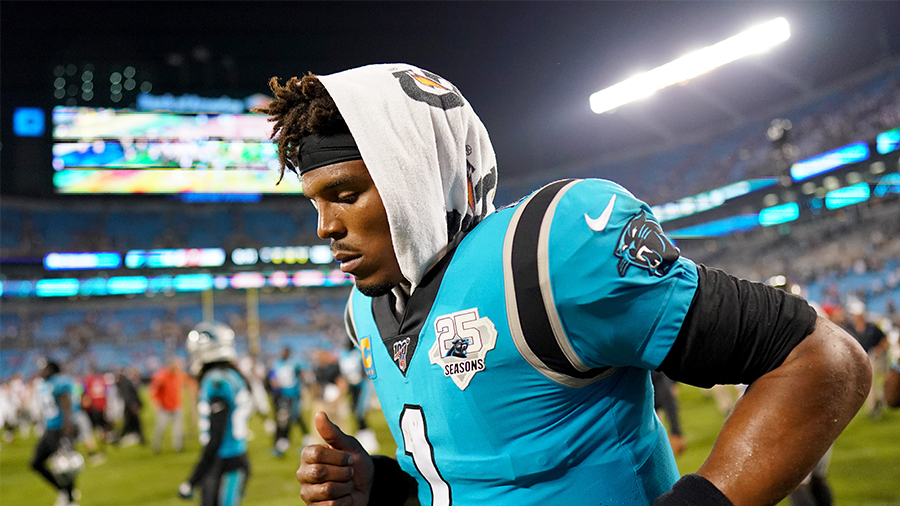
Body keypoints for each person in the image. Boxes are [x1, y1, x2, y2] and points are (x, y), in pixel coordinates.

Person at [255, 64, 872, 506]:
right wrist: (386, 487)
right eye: (316, 202)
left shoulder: (546, 255)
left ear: (416, 179)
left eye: (346, 194)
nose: (326, 227)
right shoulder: (366, 312)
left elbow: (823, 359)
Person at [178, 322, 251, 506]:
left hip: (224, 460)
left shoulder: (216, 381)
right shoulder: (231, 375)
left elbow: (217, 435)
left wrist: (193, 479)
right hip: (236, 454)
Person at [30, 360, 81, 506]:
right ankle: (64, 492)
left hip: (60, 429)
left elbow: (66, 406)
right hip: (50, 430)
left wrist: (67, 430)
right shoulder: (44, 384)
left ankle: (70, 501)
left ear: (51, 369)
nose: (41, 371)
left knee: (65, 466)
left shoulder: (59, 382)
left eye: (44, 369)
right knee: (36, 463)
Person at [269, 347, 310, 457]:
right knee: (285, 419)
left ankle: (306, 440)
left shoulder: (294, 363)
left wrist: (304, 388)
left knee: (295, 417)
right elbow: (273, 378)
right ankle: (283, 443)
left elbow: (302, 375)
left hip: (294, 395)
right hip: (283, 395)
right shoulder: (277, 363)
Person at [149, 358, 190, 453]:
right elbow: (154, 390)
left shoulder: (178, 375)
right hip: (165, 407)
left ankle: (178, 446)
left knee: (178, 429)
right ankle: (157, 446)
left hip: (176, 406)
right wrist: (156, 402)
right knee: (160, 428)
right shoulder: (161, 376)